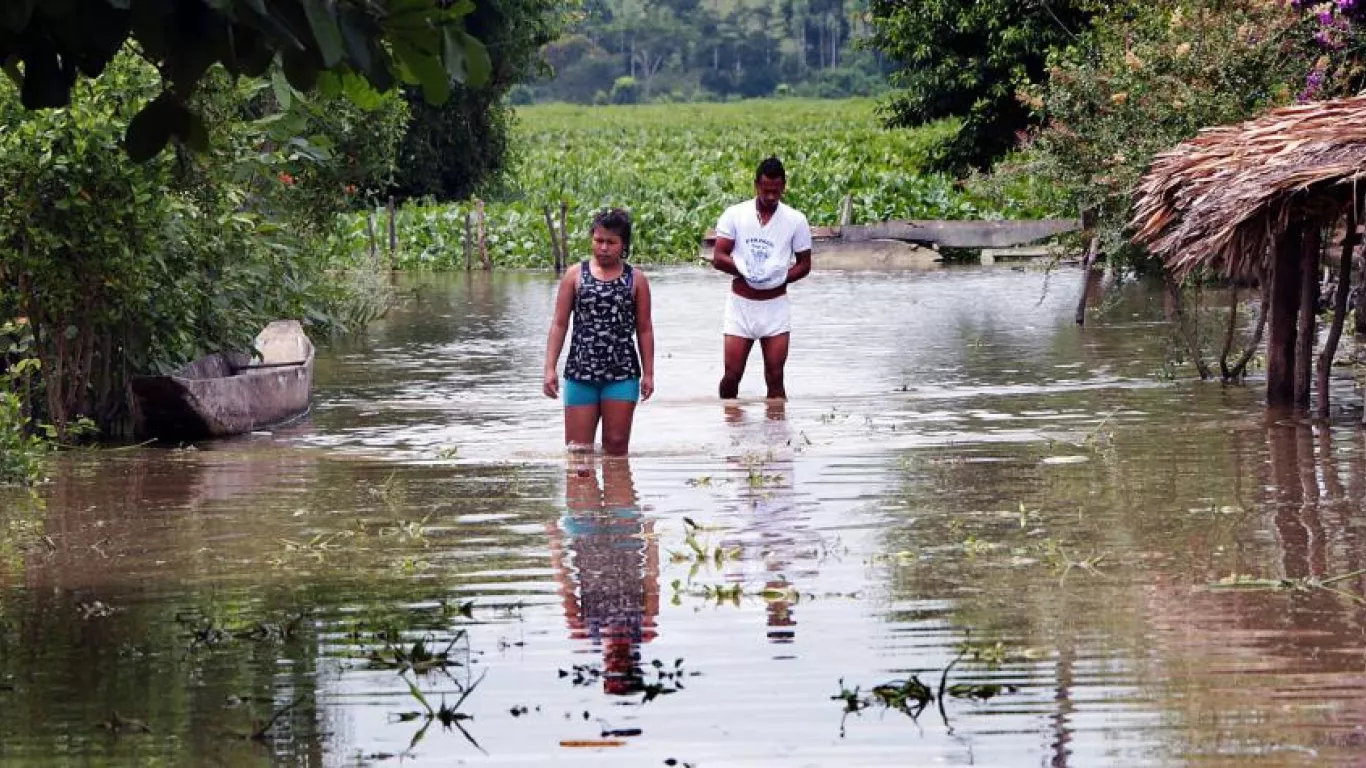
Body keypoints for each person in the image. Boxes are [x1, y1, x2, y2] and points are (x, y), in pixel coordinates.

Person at [544, 208, 655, 455]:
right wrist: (549, 368)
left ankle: (619, 491)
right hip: (580, 372)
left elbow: (645, 328)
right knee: (578, 451)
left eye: (611, 242)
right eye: (599, 240)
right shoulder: (575, 276)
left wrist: (649, 373)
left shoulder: (636, 280)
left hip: (622, 373)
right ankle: (583, 494)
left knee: (616, 448)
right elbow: (559, 324)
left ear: (624, 244)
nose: (604, 247)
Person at [547, 455, 659, 695]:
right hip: (625, 536)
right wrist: (650, 536)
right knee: (616, 466)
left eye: (612, 670)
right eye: (624, 669)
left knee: (581, 465)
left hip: (585, 535)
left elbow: (564, 585)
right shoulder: (645, 629)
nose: (616, 663)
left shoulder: (583, 631)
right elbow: (651, 582)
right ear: (635, 667)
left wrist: (554, 542)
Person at [709, 156, 812, 400]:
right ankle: (729, 423)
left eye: (776, 191)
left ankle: (776, 429)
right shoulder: (735, 214)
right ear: (756, 185)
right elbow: (719, 257)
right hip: (741, 305)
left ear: (784, 187)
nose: (771, 197)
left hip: (775, 307)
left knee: (775, 375)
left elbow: (804, 265)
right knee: (732, 374)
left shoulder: (796, 221)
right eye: (766, 191)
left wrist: (780, 278)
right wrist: (744, 270)